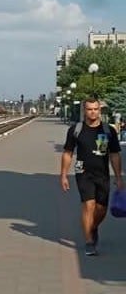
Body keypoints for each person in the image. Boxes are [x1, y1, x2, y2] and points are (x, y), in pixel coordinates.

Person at [61, 96, 123, 256]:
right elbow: (68, 153)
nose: (93, 112)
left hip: (102, 175)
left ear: (99, 110)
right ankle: (89, 241)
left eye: (96, 109)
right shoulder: (76, 130)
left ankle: (93, 227)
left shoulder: (108, 131)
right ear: (85, 110)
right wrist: (64, 175)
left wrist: (118, 177)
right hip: (83, 173)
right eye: (89, 109)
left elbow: (115, 155)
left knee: (101, 209)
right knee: (89, 205)